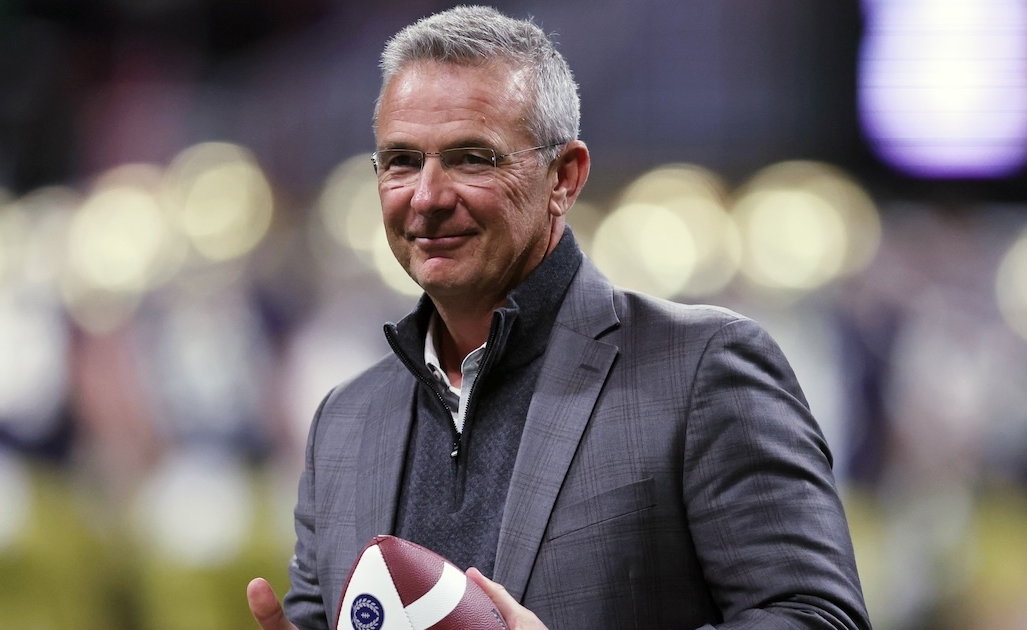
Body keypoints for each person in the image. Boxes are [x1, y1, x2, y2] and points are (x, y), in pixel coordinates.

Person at [248, 5, 871, 630]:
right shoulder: (346, 419)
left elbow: (819, 619)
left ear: (564, 179)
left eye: (472, 158)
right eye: (402, 161)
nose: (428, 197)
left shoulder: (701, 369)